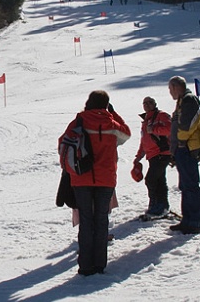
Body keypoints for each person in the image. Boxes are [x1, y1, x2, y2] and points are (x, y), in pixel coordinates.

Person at [58, 90, 131, 276]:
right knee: (101, 220)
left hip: (82, 178)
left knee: (86, 221)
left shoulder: (79, 121)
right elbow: (127, 134)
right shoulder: (111, 124)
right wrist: (113, 114)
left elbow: (62, 144)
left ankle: (85, 265)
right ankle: (100, 264)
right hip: (106, 179)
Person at [168, 76, 200, 234]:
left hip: (187, 148)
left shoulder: (189, 100)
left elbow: (187, 125)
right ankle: (188, 219)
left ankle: (196, 221)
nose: (170, 92)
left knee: (191, 185)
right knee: (185, 185)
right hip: (181, 149)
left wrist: (180, 141)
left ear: (176, 87)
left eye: (171, 89)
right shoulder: (182, 101)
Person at [133, 97, 172, 219]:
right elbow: (144, 140)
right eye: (145, 103)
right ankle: (162, 205)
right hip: (152, 155)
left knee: (151, 179)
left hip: (162, 153)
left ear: (155, 104)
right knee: (159, 180)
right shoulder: (146, 120)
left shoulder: (162, 116)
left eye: (150, 103)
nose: (147, 105)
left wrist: (154, 129)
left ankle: (156, 206)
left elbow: (170, 129)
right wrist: (138, 156)